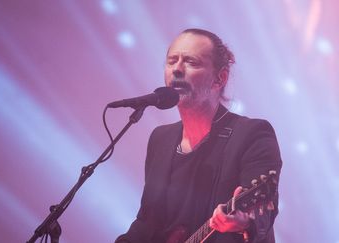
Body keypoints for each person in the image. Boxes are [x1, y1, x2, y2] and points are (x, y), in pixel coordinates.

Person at [115, 28, 282, 243]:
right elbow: (147, 222)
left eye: (191, 62)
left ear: (219, 79)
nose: (176, 69)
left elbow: (263, 214)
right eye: (171, 61)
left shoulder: (252, 135)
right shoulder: (161, 139)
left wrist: (244, 222)